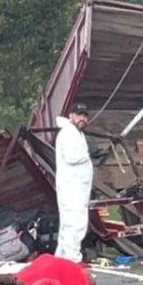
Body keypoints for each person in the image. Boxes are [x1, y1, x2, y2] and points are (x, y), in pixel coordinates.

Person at [54, 102, 93, 263]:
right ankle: (72, 258)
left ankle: (62, 258)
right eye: (79, 115)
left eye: (84, 115)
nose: (82, 118)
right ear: (71, 115)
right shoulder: (67, 133)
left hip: (77, 186)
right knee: (75, 222)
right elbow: (71, 157)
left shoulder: (76, 133)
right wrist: (88, 155)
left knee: (69, 222)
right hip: (72, 186)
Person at [0, 254, 95, 285]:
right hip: (47, 265)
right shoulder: (80, 276)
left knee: (23, 277)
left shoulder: (79, 273)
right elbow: (92, 282)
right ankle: (1, 278)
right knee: (22, 278)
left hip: (47, 263)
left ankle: (1, 278)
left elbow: (92, 281)